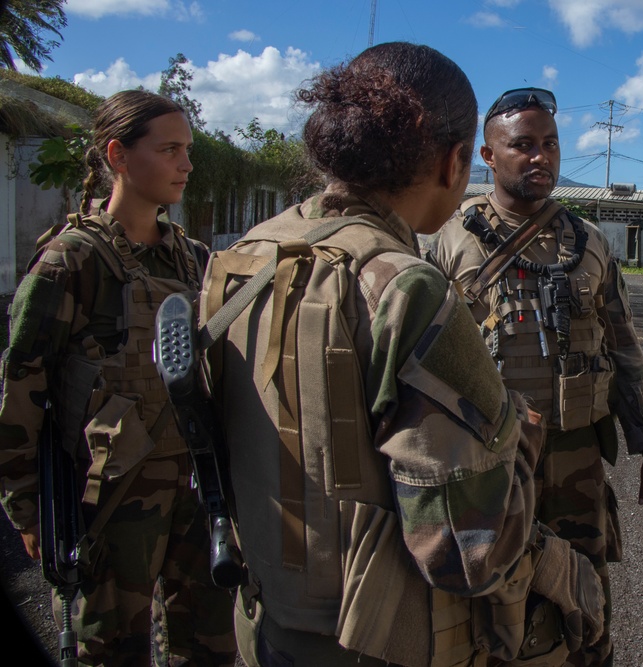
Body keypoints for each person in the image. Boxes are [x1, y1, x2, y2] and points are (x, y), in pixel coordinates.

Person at [204, 43, 604, 667]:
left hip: (267, 622)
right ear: (456, 161)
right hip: (377, 639)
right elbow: (471, 548)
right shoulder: (404, 286)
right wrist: (519, 447)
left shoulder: (251, 253)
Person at [428, 86, 643, 667]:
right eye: (524, 145)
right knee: (492, 593)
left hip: (576, 457)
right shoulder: (449, 243)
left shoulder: (590, 242)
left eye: (551, 144)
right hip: (491, 459)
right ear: (489, 156)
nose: (541, 157)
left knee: (584, 592)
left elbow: (624, 348)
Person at [0, 90, 237, 665]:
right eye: (171, 150)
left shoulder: (195, 259)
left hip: (197, 489)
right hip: (108, 499)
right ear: (119, 156)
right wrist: (28, 510)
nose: (186, 164)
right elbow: (22, 392)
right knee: (108, 649)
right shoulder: (71, 262)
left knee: (207, 644)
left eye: (188, 150)